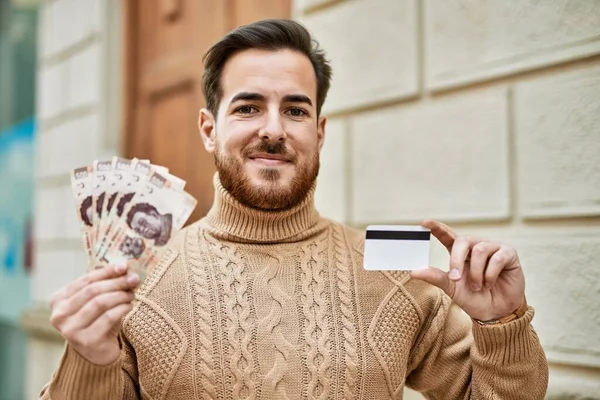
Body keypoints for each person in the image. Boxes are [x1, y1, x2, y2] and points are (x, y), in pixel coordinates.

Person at [41, 19, 548, 399]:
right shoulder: (137, 277)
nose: (274, 129)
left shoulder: (393, 262)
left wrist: (501, 325)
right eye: (247, 106)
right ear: (208, 128)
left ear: (319, 133)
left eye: (296, 109)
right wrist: (90, 360)